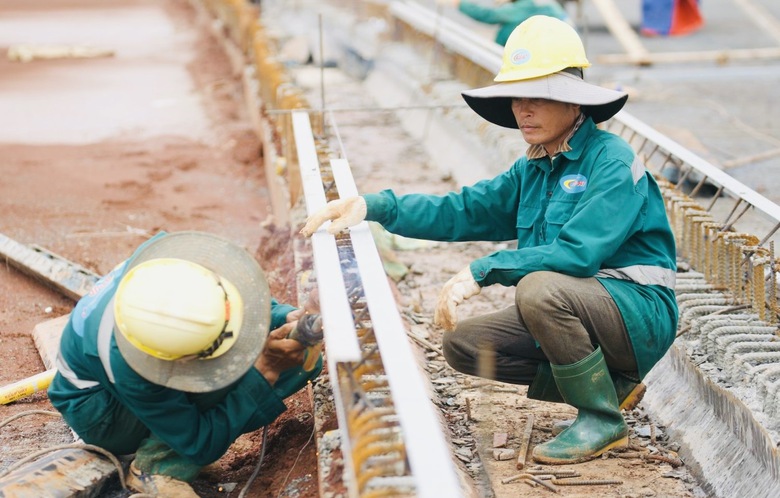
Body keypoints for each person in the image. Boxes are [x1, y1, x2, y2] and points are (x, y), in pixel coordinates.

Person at [300, 15, 677, 465]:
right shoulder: (536, 167)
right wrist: (376, 207)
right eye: (518, 97)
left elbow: (578, 254)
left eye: (539, 97)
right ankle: (610, 389)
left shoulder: (611, 160)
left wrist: (481, 270)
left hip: (638, 314)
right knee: (464, 344)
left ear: (575, 102)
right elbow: (463, 210)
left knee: (538, 288)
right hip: (581, 308)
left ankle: (600, 419)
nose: (524, 109)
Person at [47, 231, 323, 496]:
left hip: (135, 373)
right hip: (99, 411)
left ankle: (181, 433)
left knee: (300, 362)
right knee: (248, 373)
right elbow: (198, 443)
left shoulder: (180, 267)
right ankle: (156, 469)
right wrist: (267, 369)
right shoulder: (127, 362)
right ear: (173, 358)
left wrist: (287, 319)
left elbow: (242, 309)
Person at [439, 0, 571, 46]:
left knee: (508, 29)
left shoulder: (525, 6)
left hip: (558, 45)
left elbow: (490, 15)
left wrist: (459, 3)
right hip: (564, 41)